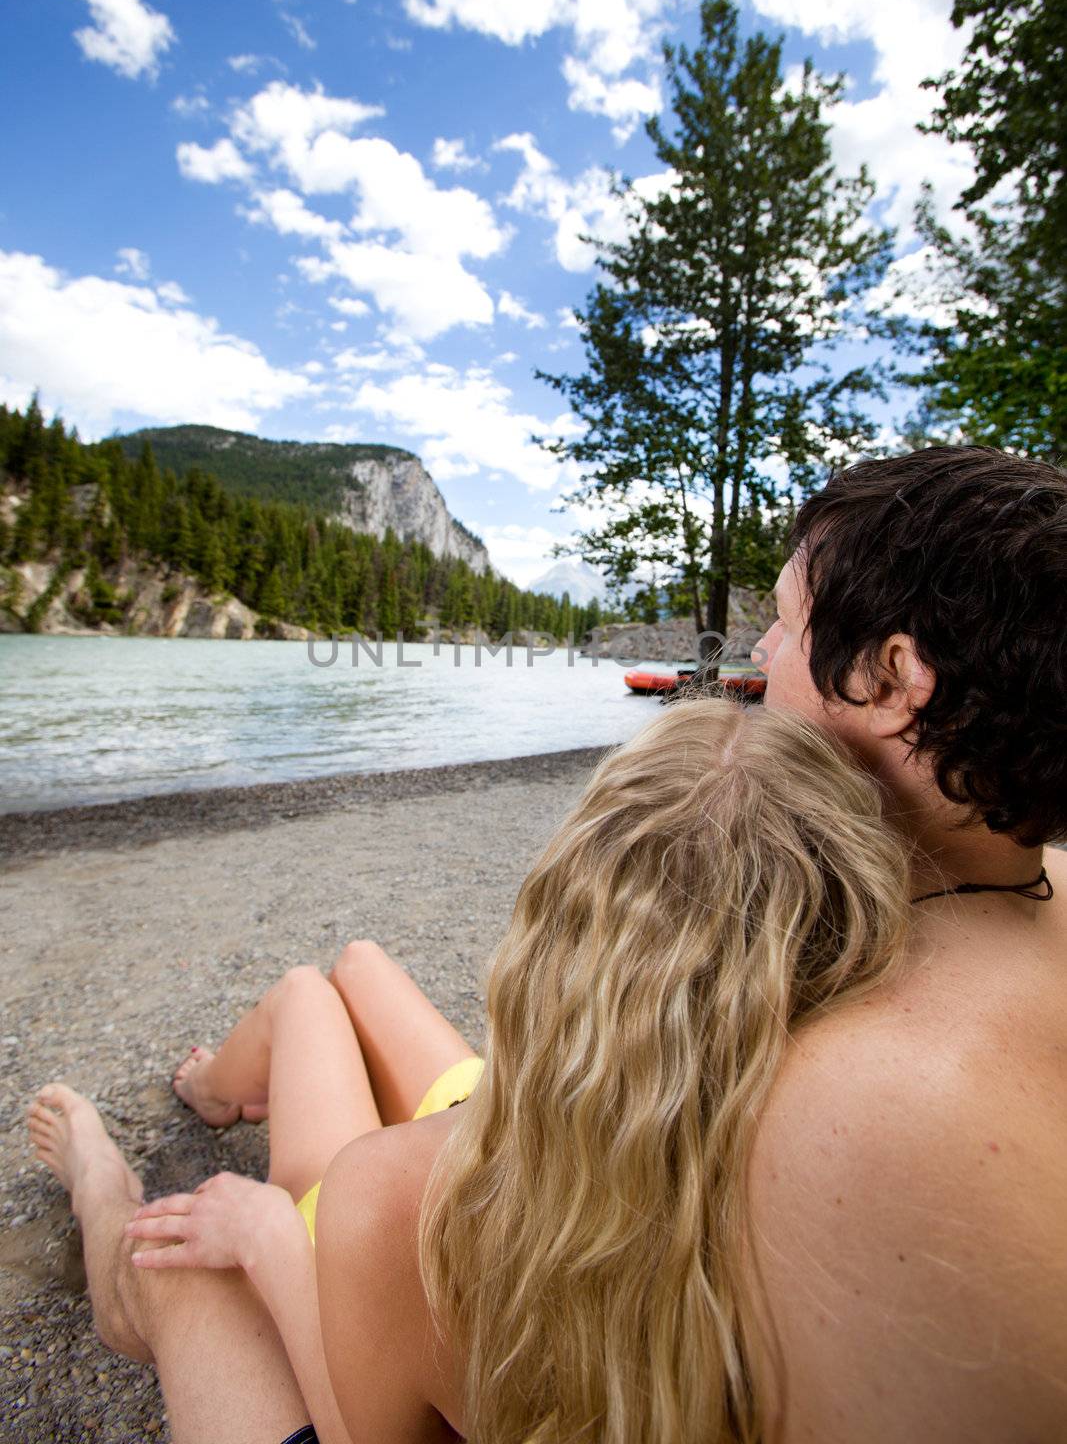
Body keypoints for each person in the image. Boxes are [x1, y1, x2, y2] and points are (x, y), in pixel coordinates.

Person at [29, 443, 1067, 1442]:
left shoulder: (857, 1094)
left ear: (891, 677)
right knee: (344, 973)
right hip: (494, 1143)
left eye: (785, 623)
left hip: (459, 1241)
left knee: (195, 1256)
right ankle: (215, 1089)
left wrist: (286, 1237)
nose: (755, 652)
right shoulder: (998, 889)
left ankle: (103, 1185)